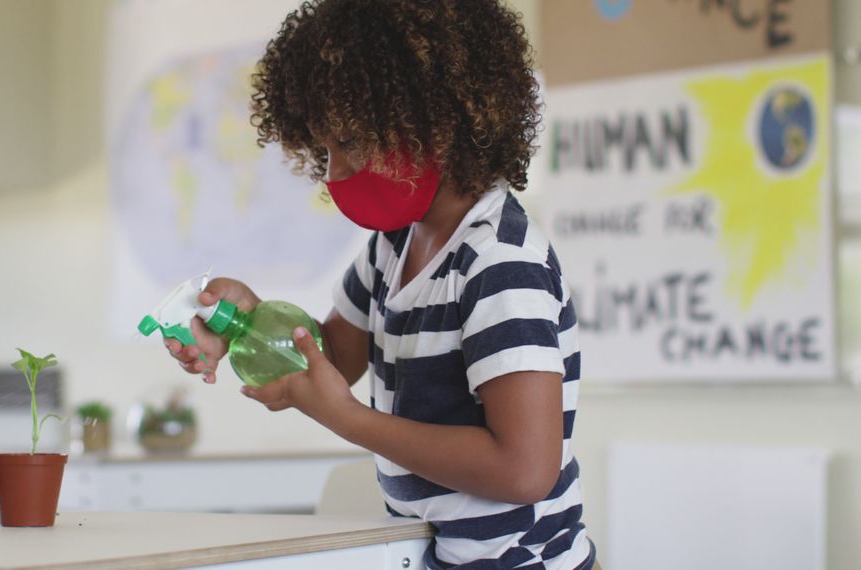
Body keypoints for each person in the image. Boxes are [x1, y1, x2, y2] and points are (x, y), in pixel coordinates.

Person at [163, 1, 595, 568]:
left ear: (435, 121)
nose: (333, 172)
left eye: (349, 142)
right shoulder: (392, 246)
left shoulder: (499, 263)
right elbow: (333, 356)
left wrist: (349, 420)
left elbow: (523, 469)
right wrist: (245, 323)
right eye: (324, 149)